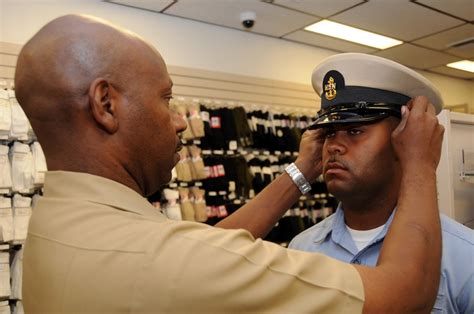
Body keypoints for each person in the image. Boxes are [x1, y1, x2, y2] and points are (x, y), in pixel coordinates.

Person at [15, 14, 444, 313]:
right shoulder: (153, 256)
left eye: (355, 131)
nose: (181, 121)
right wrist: (421, 166)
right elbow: (403, 296)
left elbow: (203, 248)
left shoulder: (60, 224)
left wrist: (300, 174)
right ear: (105, 104)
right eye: (166, 99)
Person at [289, 53, 474, 313]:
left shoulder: (463, 256)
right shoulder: (301, 249)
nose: (334, 147)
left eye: (355, 131)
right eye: (330, 133)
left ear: (406, 140)